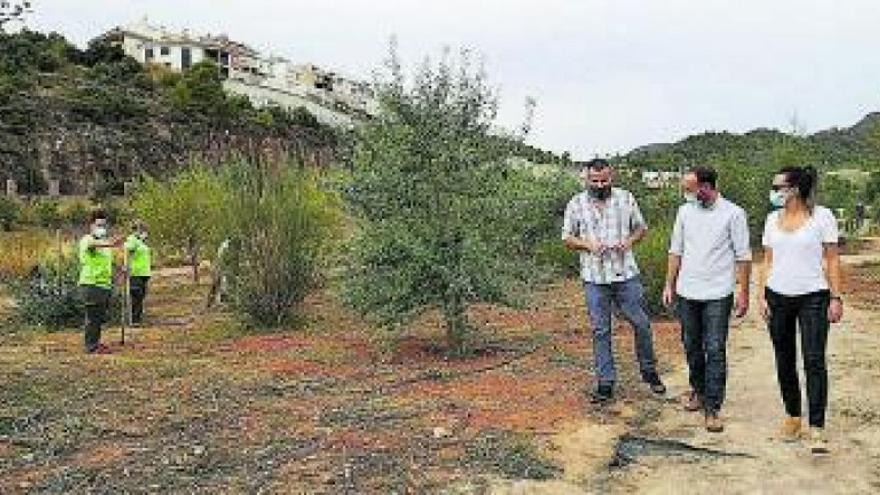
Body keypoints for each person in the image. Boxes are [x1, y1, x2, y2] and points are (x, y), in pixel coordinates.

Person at [562, 158, 666, 404]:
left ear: (612, 177)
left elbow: (641, 228)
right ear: (586, 179)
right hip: (594, 277)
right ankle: (605, 383)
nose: (599, 184)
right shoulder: (576, 204)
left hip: (625, 273)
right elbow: (567, 237)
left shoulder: (626, 198)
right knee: (600, 330)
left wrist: (629, 242)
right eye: (594, 181)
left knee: (640, 323)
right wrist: (588, 244)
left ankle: (649, 371)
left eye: (604, 180)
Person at [757, 165, 843, 455]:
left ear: (794, 189)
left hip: (814, 297)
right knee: (784, 359)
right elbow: (767, 260)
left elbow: (832, 260)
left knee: (814, 360)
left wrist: (836, 297)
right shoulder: (771, 219)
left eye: (778, 187)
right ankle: (793, 417)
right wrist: (762, 295)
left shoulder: (822, 217)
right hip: (777, 297)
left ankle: (817, 427)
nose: (774, 192)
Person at [663, 166, 751, 433]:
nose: (685, 194)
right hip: (687, 291)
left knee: (714, 348)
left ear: (706, 187)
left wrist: (744, 292)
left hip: (717, 293)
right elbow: (675, 250)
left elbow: (743, 256)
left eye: (689, 189)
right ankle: (699, 392)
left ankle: (713, 408)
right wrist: (669, 284)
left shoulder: (733, 214)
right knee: (691, 345)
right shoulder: (684, 212)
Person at [78, 209, 121, 354]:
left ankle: (95, 342)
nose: (101, 228)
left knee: (99, 317)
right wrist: (111, 244)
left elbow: (107, 261)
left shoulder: (104, 244)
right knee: (93, 317)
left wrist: (120, 269)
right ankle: (91, 346)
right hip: (91, 284)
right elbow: (92, 246)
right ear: (91, 226)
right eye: (98, 225)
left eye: (103, 225)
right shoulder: (87, 239)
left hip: (104, 285)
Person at [125, 220, 152, 326]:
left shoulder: (141, 242)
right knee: (136, 295)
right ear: (136, 230)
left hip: (144, 273)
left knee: (141, 296)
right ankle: (134, 320)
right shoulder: (132, 240)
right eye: (141, 230)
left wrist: (141, 240)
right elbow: (128, 251)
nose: (144, 233)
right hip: (135, 272)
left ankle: (138, 319)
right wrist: (126, 266)